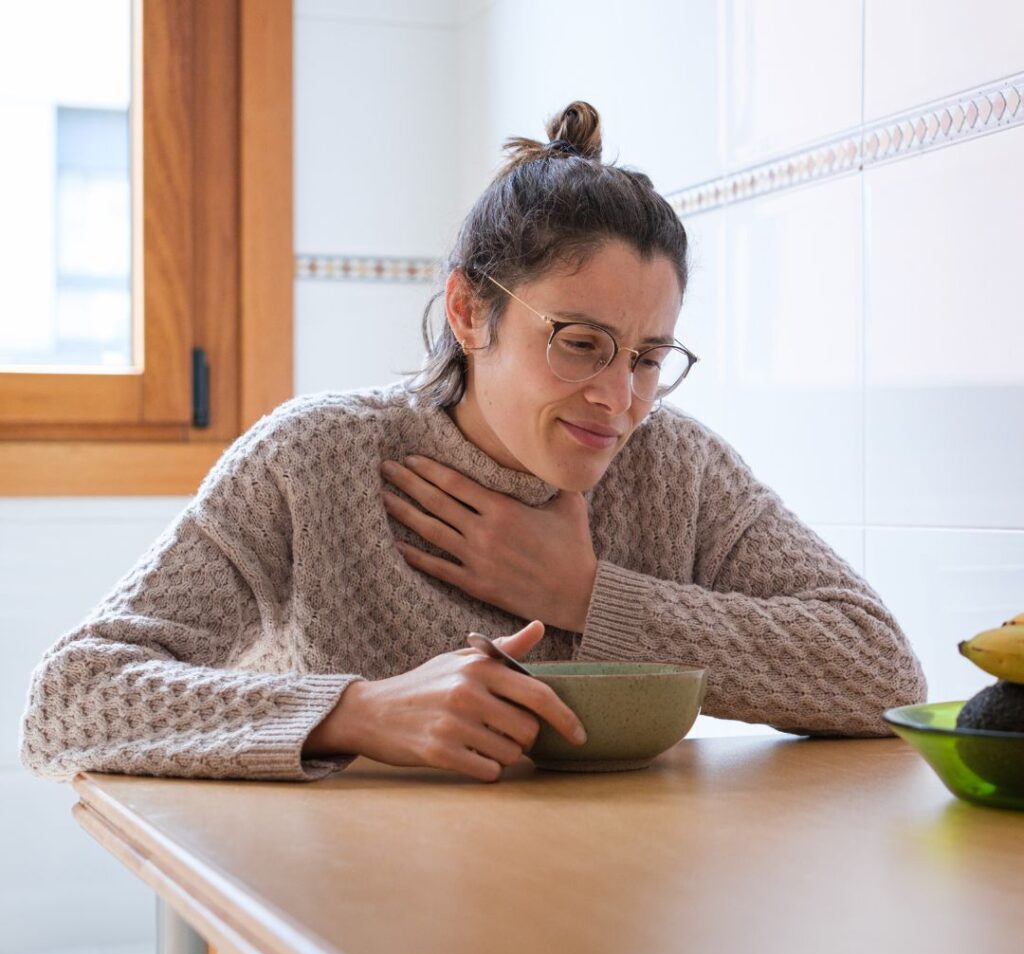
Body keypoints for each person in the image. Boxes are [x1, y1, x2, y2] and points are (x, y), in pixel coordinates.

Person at [19, 101, 927, 786]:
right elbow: (70, 699)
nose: (619, 401)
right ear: (469, 311)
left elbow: (881, 669)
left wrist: (582, 594)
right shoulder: (314, 460)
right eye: (579, 343)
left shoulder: (674, 465)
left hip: (614, 912)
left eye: (649, 357)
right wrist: (355, 713)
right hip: (340, 913)